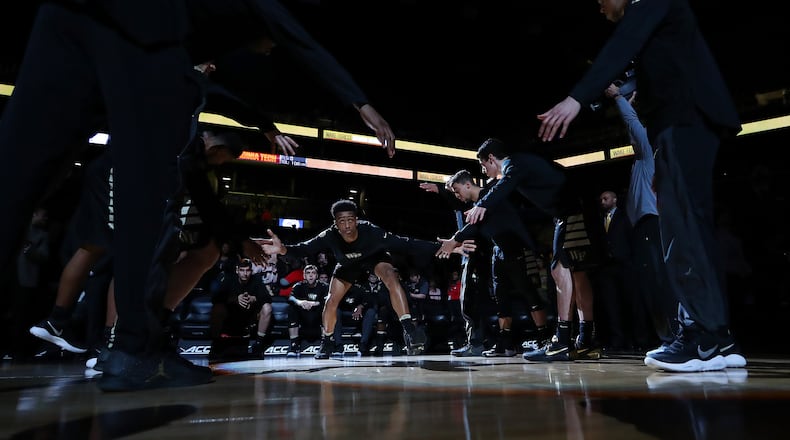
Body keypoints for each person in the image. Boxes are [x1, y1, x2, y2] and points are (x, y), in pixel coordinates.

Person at [0, 0, 396, 392]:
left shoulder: (196, 59)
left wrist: (264, 127)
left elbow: (218, 92)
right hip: (140, 25)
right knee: (147, 207)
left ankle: (129, 346)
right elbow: (293, 32)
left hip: (64, 17)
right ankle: (131, 350)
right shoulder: (187, 50)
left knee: (14, 179)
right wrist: (361, 104)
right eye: (270, 43)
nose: (271, 48)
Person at [536, 0, 744, 372]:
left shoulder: (649, 2)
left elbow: (623, 43)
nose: (599, 6)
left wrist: (575, 99)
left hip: (684, 122)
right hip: (687, 124)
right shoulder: (662, 27)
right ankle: (718, 337)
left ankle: (701, 337)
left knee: (681, 231)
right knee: (691, 229)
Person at [445, 138, 602, 362]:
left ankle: (562, 341)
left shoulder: (513, 165)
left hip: (573, 209)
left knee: (560, 271)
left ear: (490, 159)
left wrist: (482, 205)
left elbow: (503, 186)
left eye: (483, 166)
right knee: (578, 275)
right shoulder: (522, 164)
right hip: (571, 210)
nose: (483, 170)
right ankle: (586, 340)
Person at [257, 199, 474, 359]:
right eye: (342, 221)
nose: (348, 225)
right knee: (331, 299)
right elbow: (302, 249)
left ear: (357, 220)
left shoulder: (371, 232)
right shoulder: (329, 236)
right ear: (336, 223)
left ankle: (409, 328)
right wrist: (283, 249)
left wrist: (449, 247)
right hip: (348, 264)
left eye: (351, 220)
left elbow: (406, 243)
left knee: (390, 276)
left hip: (374, 258)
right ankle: (328, 342)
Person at [442, 169, 553, 358]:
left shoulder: (489, 197)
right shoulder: (477, 204)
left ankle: (545, 340)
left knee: (529, 294)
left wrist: (454, 239)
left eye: (457, 190)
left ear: (468, 185)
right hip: (497, 252)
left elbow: (474, 225)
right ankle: (506, 344)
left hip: (514, 249)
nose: (457, 195)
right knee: (501, 300)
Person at [604, 84, 679, 356]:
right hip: (646, 228)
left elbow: (632, 123)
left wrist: (618, 98)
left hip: (650, 225)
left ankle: (672, 339)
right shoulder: (643, 158)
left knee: (658, 284)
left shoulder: (648, 151)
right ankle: (669, 338)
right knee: (652, 285)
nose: (631, 139)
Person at [286, 264, 328, 358]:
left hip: (317, 315)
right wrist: (300, 302)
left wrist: (313, 303)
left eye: (313, 273)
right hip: (303, 315)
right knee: (291, 308)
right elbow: (291, 298)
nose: (311, 275)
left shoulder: (324, 286)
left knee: (327, 309)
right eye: (308, 273)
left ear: (317, 275)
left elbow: (327, 300)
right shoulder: (298, 286)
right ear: (304, 275)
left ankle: (324, 345)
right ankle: (294, 346)